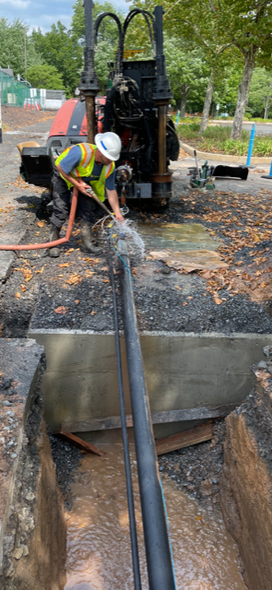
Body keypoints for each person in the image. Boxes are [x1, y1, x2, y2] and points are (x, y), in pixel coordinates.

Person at [49, 132, 124, 257]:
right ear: (100, 151)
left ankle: (86, 244)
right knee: (61, 209)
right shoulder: (81, 153)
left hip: (85, 181)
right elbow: (61, 167)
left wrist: (117, 213)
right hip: (63, 175)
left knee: (88, 211)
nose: (111, 160)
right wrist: (77, 185)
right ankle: (53, 243)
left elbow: (111, 190)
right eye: (108, 157)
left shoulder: (109, 165)